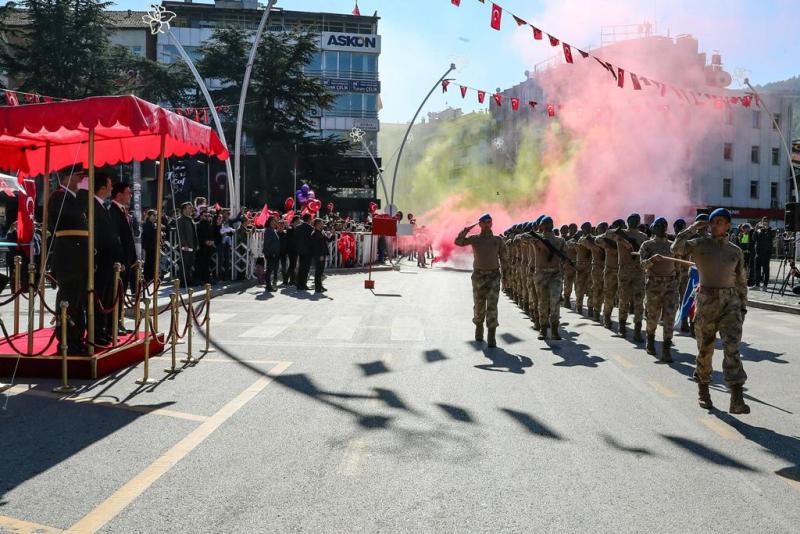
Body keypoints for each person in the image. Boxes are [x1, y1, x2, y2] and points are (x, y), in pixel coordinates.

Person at [672, 208, 750, 414]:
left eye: (720, 221)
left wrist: (742, 306)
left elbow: (741, 281)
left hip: (730, 302)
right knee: (705, 348)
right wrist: (692, 229)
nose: (715, 224)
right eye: (712, 221)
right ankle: (704, 390)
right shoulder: (699, 244)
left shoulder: (735, 250)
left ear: (728, 225)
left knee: (732, 348)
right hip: (706, 301)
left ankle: (737, 397)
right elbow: (676, 248)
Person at [48, 171, 90, 354]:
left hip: (79, 255)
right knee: (68, 298)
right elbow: (74, 212)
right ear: (66, 177)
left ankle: (77, 337)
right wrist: (84, 192)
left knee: (79, 299)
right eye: (78, 176)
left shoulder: (72, 196)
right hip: (67, 255)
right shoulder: (58, 196)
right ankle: (66, 340)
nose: (81, 180)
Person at [454, 213, 507, 348]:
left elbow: (504, 259)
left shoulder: (498, 240)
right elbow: (458, 242)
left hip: (494, 276)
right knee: (479, 305)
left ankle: (491, 335)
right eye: (485, 222)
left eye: (490, 221)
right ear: (480, 224)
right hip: (478, 277)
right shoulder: (475, 239)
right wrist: (466, 229)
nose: (488, 224)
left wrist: (506, 278)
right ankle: (479, 328)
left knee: (492, 306)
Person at [639, 217, 679, 362]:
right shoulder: (647, 245)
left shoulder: (672, 245)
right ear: (653, 229)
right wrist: (652, 260)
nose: (662, 228)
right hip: (654, 285)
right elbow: (642, 265)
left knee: (669, 317)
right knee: (652, 316)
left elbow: (678, 265)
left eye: (664, 226)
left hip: (670, 285)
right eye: (659, 226)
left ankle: (667, 349)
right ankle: (650, 339)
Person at [92, 173, 122, 347]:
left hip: (109, 262)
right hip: (101, 261)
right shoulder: (94, 206)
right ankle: (96, 333)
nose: (112, 188)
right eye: (110, 185)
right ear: (102, 188)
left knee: (107, 298)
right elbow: (98, 235)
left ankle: (102, 330)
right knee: (100, 299)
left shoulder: (103, 206)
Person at [613, 213, 648, 342]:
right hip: (624, 270)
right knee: (623, 300)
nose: (633, 222)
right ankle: (622, 327)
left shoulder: (643, 237)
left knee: (639, 302)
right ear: (627, 221)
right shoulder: (620, 233)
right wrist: (624, 242)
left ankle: (638, 330)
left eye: (635, 220)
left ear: (639, 222)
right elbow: (607, 234)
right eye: (631, 220)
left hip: (638, 271)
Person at [530, 216, 567, 341]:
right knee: (543, 302)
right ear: (540, 226)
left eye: (550, 222)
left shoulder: (560, 241)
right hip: (541, 274)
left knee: (555, 301)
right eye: (545, 223)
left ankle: (555, 330)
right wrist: (538, 235)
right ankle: (543, 329)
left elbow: (564, 257)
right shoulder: (536, 238)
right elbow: (523, 237)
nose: (548, 224)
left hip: (555, 274)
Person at [597, 219, 623, 329]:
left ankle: (622, 322)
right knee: (609, 296)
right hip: (610, 270)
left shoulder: (625, 238)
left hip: (623, 270)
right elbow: (597, 240)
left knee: (623, 297)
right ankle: (607, 317)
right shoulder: (606, 237)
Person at [572, 222, 593, 315]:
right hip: (581, 266)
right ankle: (579, 306)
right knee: (579, 288)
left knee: (591, 288)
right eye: (584, 228)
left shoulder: (593, 239)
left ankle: (590, 308)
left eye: (587, 228)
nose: (586, 230)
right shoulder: (580, 239)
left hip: (590, 266)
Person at [310, 218, 335, 293]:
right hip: (319, 255)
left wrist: (333, 234)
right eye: (321, 223)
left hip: (323, 254)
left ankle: (320, 286)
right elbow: (315, 247)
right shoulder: (314, 233)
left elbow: (328, 240)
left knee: (321, 272)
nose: (323, 224)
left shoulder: (322, 232)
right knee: (318, 271)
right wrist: (319, 255)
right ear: (317, 224)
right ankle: (317, 288)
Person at [176, 202, 197, 287]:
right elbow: (180, 234)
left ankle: (189, 280)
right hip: (185, 246)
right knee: (184, 264)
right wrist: (184, 244)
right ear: (184, 209)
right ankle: (183, 281)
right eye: (189, 208)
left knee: (190, 264)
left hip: (192, 245)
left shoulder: (190, 219)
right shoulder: (180, 220)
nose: (191, 209)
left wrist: (196, 244)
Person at [752, 216, 775, 289]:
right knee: (757, 269)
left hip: (766, 253)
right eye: (763, 221)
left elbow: (770, 237)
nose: (765, 222)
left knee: (766, 269)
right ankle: (757, 285)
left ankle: (765, 285)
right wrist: (756, 229)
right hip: (758, 252)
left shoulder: (771, 230)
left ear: (768, 222)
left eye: (766, 221)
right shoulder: (759, 230)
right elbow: (754, 238)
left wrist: (766, 229)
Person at [195, 208, 215, 285]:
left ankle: (207, 279)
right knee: (200, 264)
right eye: (205, 215)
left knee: (207, 263)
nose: (206, 217)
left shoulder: (209, 224)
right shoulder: (198, 225)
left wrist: (212, 241)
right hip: (201, 247)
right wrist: (204, 241)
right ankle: (199, 279)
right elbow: (198, 236)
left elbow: (212, 234)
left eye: (207, 215)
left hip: (209, 247)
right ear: (201, 216)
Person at [294, 214, 314, 290]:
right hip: (308, 251)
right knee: (306, 268)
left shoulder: (298, 227)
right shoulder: (310, 228)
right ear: (309, 219)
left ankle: (299, 284)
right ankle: (304, 284)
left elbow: (295, 239)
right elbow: (312, 241)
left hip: (300, 250)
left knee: (301, 267)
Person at [262, 216, 280, 292]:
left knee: (271, 269)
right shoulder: (269, 230)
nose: (275, 222)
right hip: (270, 253)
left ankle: (268, 285)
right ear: (270, 221)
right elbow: (267, 243)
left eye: (276, 221)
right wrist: (271, 252)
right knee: (269, 270)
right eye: (273, 221)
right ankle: (268, 286)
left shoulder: (273, 230)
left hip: (273, 253)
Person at [561, 224, 578, 309]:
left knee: (578, 284)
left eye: (574, 229)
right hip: (568, 263)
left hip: (578, 264)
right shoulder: (565, 239)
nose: (573, 230)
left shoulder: (579, 238)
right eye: (571, 229)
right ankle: (567, 298)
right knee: (568, 283)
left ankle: (579, 303)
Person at [141, 210, 157, 284]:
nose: (155, 217)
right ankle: (147, 277)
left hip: (152, 246)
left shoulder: (153, 224)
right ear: (149, 216)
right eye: (153, 215)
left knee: (152, 262)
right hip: (148, 246)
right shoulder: (146, 224)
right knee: (148, 262)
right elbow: (149, 235)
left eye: (155, 216)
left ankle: (151, 276)